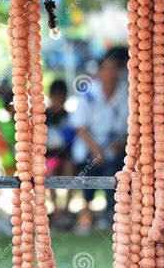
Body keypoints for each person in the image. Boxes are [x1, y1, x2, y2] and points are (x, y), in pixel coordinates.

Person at [70, 46, 129, 232]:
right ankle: (86, 213)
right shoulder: (88, 94)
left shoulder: (127, 93)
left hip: (117, 144)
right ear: (100, 72)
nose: (111, 74)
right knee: (92, 165)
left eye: (114, 70)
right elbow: (80, 126)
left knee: (118, 168)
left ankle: (112, 212)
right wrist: (96, 150)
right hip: (92, 144)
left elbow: (132, 126)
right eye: (107, 69)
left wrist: (119, 145)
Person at [45, 79, 75, 228]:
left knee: (70, 168)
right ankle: (56, 212)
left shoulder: (68, 116)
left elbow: (71, 141)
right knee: (50, 170)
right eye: (57, 98)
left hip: (65, 155)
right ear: (51, 96)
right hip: (48, 155)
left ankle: (67, 210)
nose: (59, 101)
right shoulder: (43, 116)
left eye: (62, 98)